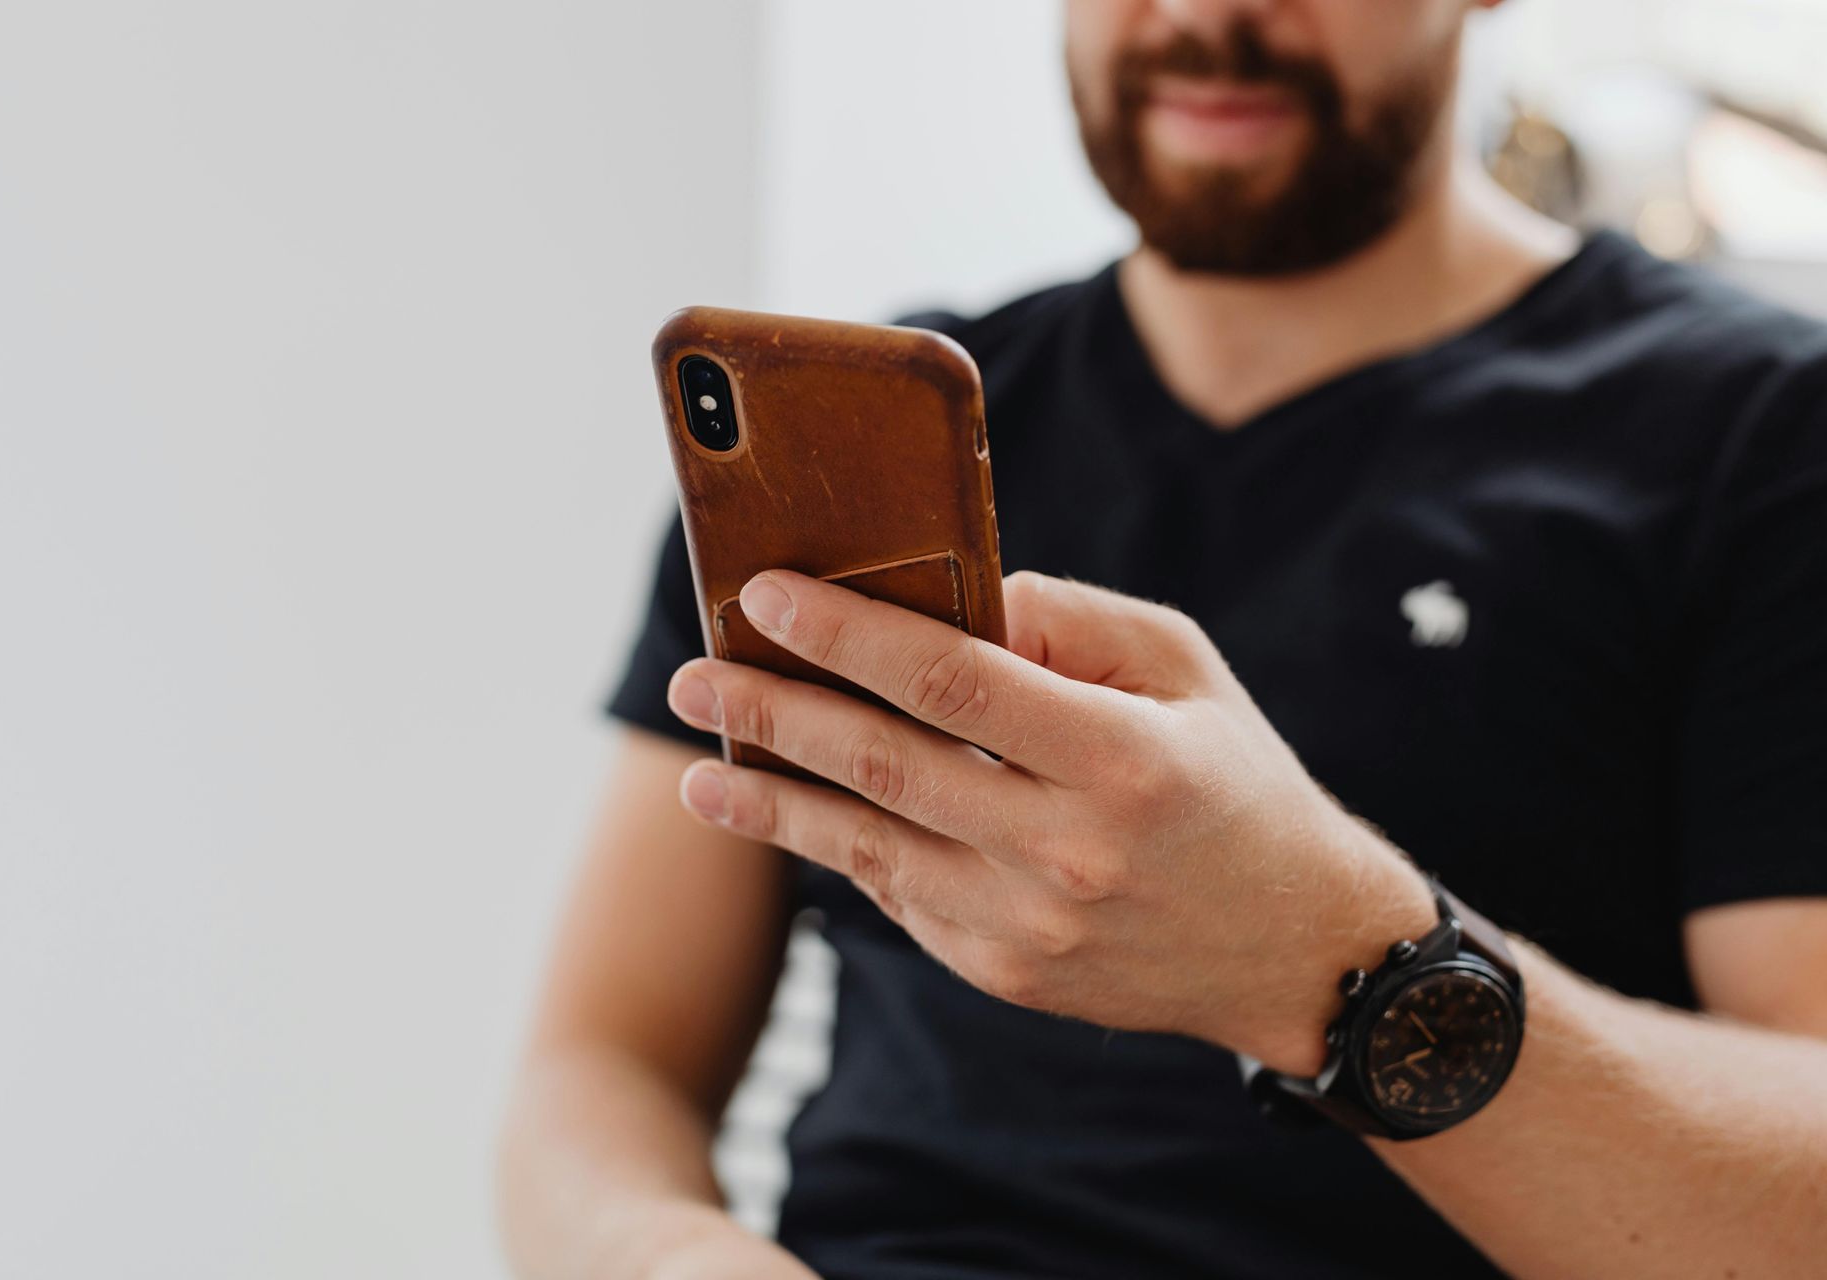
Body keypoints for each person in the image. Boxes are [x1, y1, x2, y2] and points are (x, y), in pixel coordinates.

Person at [500, 1, 1827, 1276]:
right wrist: (669, 1257)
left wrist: (1323, 958)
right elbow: (604, 1066)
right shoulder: (871, 444)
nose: (1202, 13)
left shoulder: (1761, 443)